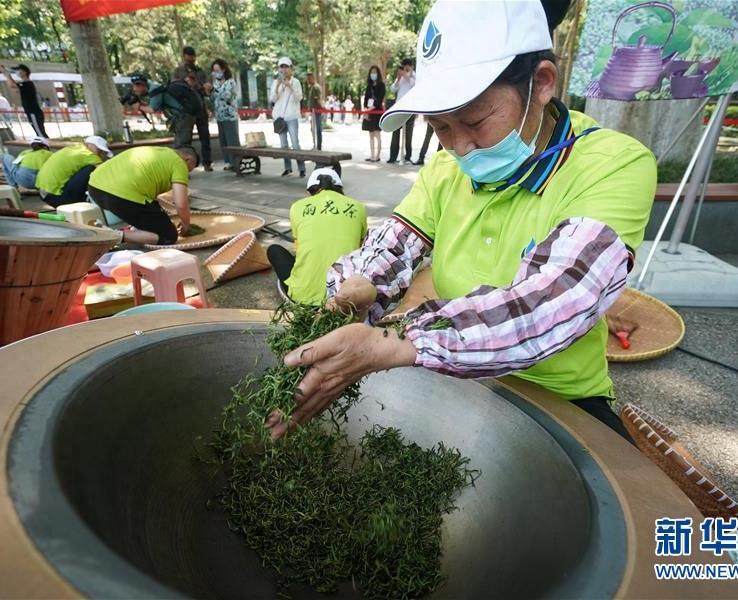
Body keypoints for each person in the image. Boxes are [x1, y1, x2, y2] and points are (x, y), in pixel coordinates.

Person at [264, 0, 656, 444]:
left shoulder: (613, 164)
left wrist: (399, 340)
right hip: (454, 375)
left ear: (542, 83)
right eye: (440, 129)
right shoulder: (446, 169)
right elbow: (392, 247)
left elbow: (553, 302)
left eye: (475, 121)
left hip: (560, 400)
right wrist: (361, 286)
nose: (461, 147)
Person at [266, 168, 367, 304]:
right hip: (346, 298)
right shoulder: (358, 207)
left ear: (309, 192)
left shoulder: (297, 207)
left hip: (304, 297)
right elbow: (360, 247)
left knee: (274, 250)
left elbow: (298, 248)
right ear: (340, 189)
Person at [88, 146, 197, 246]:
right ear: (187, 159)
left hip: (95, 187)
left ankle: (137, 228)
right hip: (120, 197)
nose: (186, 174)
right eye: (188, 170)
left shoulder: (160, 152)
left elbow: (153, 200)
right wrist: (186, 224)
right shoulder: (179, 163)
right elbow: (181, 203)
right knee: (169, 236)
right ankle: (114, 235)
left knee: (155, 214)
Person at [125, 74, 203, 151]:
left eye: (135, 86)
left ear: (141, 85)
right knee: (181, 144)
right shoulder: (154, 87)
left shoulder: (154, 89)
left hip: (184, 115)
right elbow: (154, 104)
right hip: (182, 115)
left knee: (181, 146)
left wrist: (138, 106)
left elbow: (152, 109)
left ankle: (186, 161)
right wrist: (140, 103)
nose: (134, 90)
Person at [35, 135, 112, 207]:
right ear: (89, 145)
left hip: (44, 195)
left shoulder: (76, 148)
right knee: (91, 169)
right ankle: (87, 200)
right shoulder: (89, 155)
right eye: (99, 150)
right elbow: (106, 174)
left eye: (104, 152)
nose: (101, 154)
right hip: (57, 198)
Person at [173, 46, 213, 171]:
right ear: (184, 57)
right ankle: (184, 164)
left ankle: (207, 163)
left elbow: (206, 91)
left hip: (200, 106)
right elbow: (174, 88)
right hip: (185, 109)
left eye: (192, 58)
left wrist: (200, 85)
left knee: (205, 136)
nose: (190, 60)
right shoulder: (178, 71)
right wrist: (185, 83)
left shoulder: (200, 72)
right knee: (185, 138)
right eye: (188, 58)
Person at [269, 57, 305, 177]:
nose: (284, 69)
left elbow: (298, 98)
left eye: (286, 67)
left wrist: (289, 86)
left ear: (291, 68)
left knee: (295, 143)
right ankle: (288, 167)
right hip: (280, 117)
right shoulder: (275, 82)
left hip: (292, 116)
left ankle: (301, 168)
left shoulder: (296, 82)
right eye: (281, 67)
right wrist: (278, 85)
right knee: (283, 144)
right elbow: (272, 99)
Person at [1, 64, 49, 138]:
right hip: (32, 112)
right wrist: (8, 75)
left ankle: (47, 146)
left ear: (25, 72)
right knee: (39, 132)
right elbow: (15, 84)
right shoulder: (24, 84)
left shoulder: (27, 84)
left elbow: (11, 85)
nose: (18, 73)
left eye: (19, 70)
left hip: (34, 113)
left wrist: (7, 75)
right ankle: (46, 146)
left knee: (40, 133)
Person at [210, 58, 240, 171]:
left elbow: (227, 95)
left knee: (232, 138)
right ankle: (227, 161)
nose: (216, 73)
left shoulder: (230, 82)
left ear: (223, 69)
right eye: (214, 71)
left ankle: (236, 161)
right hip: (219, 115)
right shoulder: (216, 83)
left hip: (229, 114)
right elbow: (212, 98)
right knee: (223, 140)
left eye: (218, 70)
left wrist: (215, 90)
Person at [387, 58, 416, 163]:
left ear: (411, 66)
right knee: (396, 132)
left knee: (409, 133)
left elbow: (414, 84)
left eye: (407, 66)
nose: (405, 68)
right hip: (398, 108)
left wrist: (406, 74)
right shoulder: (401, 77)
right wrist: (399, 78)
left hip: (410, 109)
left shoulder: (414, 75)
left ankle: (407, 156)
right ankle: (393, 156)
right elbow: (393, 89)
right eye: (404, 66)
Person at [362, 66, 386, 162]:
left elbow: (379, 100)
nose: (373, 74)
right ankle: (372, 155)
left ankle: (377, 156)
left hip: (377, 112)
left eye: (375, 72)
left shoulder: (381, 85)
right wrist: (366, 110)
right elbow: (366, 99)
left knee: (377, 134)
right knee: (371, 135)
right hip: (369, 112)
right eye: (372, 72)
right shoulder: (369, 86)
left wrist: (370, 109)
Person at [305, 72, 324, 150]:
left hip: (316, 111)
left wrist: (318, 108)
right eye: (307, 79)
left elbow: (317, 99)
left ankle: (318, 145)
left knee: (317, 128)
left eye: (309, 79)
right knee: (313, 128)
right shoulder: (312, 87)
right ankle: (315, 144)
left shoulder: (316, 87)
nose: (308, 80)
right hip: (313, 111)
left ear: (313, 78)